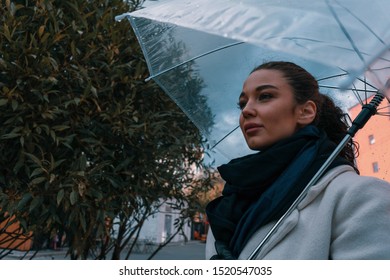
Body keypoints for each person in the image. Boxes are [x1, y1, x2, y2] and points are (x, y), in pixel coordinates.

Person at [205, 61, 390, 260]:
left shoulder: (359, 196)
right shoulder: (231, 201)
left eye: (265, 96)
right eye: (242, 103)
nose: (246, 111)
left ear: (306, 112)